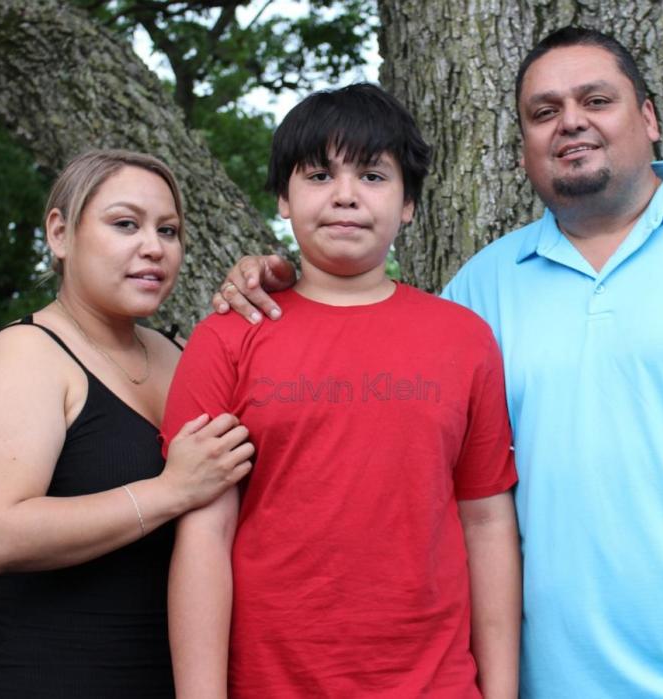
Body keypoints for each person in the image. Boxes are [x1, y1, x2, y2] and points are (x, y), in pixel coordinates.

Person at [212, 28, 663, 699]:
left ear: (649, 118)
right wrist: (275, 280)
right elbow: (367, 378)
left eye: (596, 100)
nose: (570, 122)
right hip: (552, 682)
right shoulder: (479, 291)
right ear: (524, 149)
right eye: (544, 112)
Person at [160, 83, 521, 698]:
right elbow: (204, 534)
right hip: (270, 683)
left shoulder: (465, 339)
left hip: (437, 684)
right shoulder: (228, 335)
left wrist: (502, 691)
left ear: (408, 204)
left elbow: (485, 521)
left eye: (374, 176)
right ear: (283, 196)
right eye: (320, 174)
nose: (346, 196)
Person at [0, 149, 254, 697]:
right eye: (125, 224)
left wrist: (273, 281)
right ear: (61, 234)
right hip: (39, 680)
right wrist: (170, 490)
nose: (153, 247)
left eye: (169, 230)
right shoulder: (25, 354)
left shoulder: (178, 352)